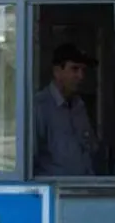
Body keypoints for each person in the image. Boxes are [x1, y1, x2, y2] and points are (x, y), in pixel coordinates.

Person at [33, 43, 104, 176]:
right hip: (55, 192)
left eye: (83, 70)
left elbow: (91, 149)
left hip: (85, 189)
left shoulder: (79, 106)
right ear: (57, 72)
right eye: (75, 69)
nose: (81, 76)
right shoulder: (40, 107)